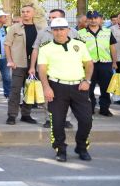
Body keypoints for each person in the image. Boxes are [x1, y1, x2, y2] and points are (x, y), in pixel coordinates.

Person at [38, 18, 94, 162]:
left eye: (62, 29)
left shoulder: (79, 45)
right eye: (56, 30)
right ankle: (60, 150)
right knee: (57, 122)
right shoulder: (45, 47)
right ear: (51, 31)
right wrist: (46, 87)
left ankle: (81, 147)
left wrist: (87, 80)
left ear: (68, 30)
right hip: (56, 87)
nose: (59, 32)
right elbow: (42, 69)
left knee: (86, 120)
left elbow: (89, 63)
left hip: (79, 87)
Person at [29, 9, 79, 128]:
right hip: (45, 69)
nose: (51, 19)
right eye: (50, 17)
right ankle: (49, 119)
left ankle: (66, 119)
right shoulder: (42, 32)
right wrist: (32, 66)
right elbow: (35, 49)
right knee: (47, 95)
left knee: (66, 95)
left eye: (54, 17)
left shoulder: (73, 32)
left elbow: (79, 49)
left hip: (66, 69)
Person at [5, 5, 44, 125]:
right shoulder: (15, 28)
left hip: (34, 64)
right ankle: (12, 115)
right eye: (23, 11)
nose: (25, 13)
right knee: (15, 90)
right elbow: (7, 45)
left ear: (33, 13)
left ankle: (26, 114)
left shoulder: (40, 29)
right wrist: (10, 60)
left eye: (28, 11)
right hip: (18, 63)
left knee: (29, 90)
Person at [77, 11, 117, 116]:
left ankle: (104, 109)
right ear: (87, 20)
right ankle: (90, 108)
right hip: (88, 64)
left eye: (96, 18)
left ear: (100, 19)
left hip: (105, 64)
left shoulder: (107, 32)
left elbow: (112, 47)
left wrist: (114, 62)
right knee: (89, 88)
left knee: (106, 88)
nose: (93, 20)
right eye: (91, 18)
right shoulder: (80, 33)